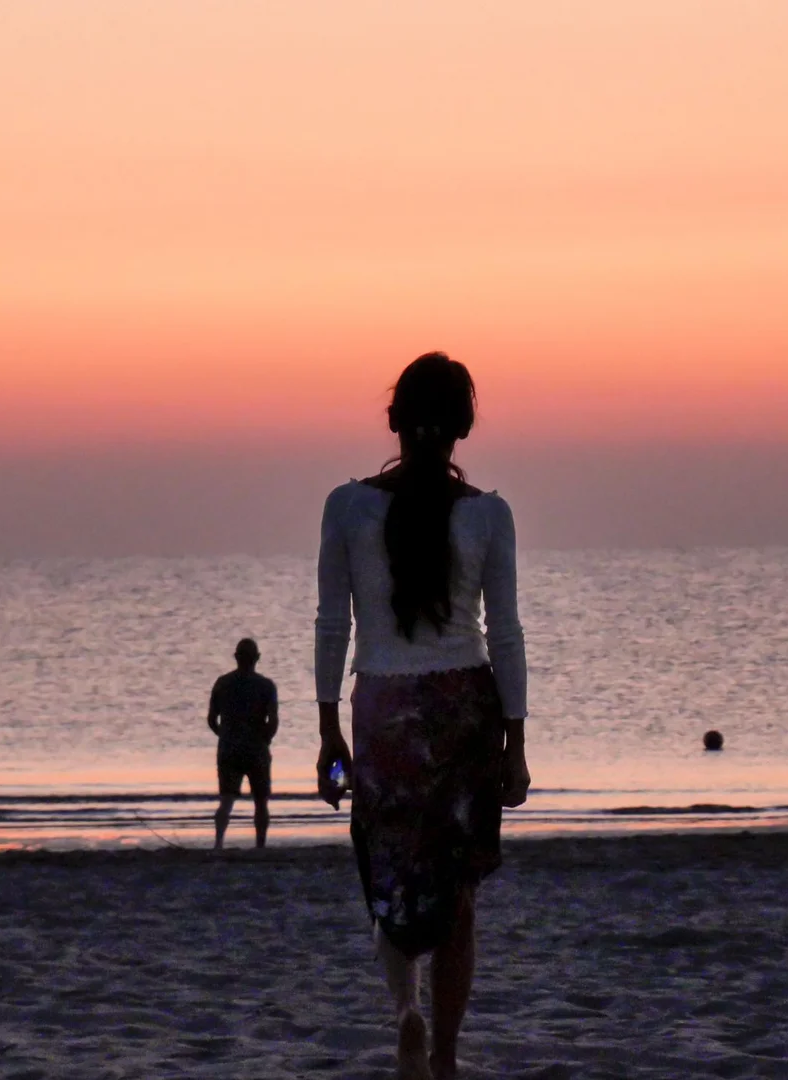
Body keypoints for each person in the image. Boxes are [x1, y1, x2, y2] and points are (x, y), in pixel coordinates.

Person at [315, 351, 530, 1080]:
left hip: (384, 709)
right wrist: (518, 743)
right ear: (462, 428)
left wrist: (327, 734)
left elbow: (330, 625)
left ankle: (405, 1008)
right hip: (464, 709)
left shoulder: (347, 507)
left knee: (391, 875)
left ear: (395, 421)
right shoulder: (489, 516)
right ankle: (445, 1055)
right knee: (458, 893)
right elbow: (504, 634)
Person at [207, 637, 279, 849]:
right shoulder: (266, 686)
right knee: (260, 802)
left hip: (229, 748)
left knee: (227, 799)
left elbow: (212, 719)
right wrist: (265, 740)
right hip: (256, 748)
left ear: (236, 658)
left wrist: (224, 735)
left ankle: (218, 843)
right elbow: (273, 721)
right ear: (257, 658)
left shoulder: (222, 683)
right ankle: (260, 845)